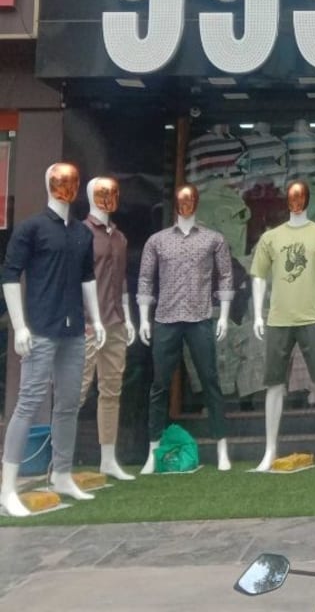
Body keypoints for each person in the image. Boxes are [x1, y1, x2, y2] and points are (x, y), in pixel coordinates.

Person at [0, 163, 106, 516]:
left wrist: (96, 319)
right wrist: (20, 326)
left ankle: (61, 474)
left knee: (68, 403)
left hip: (73, 330)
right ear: (48, 184)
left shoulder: (81, 233)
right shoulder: (31, 228)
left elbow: (87, 278)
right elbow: (10, 275)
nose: (67, 187)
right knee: (29, 402)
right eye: (60, 181)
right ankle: (7, 487)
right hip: (41, 329)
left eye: (73, 181)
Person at [251, 179, 315, 471]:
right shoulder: (271, 238)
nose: (296, 201)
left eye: (300, 196)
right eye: (291, 196)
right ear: (286, 200)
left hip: (312, 318)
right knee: (274, 385)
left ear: (307, 200)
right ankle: (269, 449)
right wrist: (258, 315)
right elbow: (259, 276)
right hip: (278, 319)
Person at [137, 183, 233, 473]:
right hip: (166, 317)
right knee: (159, 385)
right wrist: (144, 318)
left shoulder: (213, 239)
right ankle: (153, 451)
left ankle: (222, 447)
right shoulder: (157, 241)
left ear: (197, 203)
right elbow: (145, 279)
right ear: (176, 204)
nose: (186, 203)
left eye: (191, 199)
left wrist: (224, 315)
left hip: (200, 317)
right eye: (182, 199)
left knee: (211, 381)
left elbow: (225, 276)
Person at [79, 176, 137, 479]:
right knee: (75, 392)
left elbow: (122, 280)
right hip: (88, 324)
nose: (109, 197)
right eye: (103, 192)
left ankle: (108, 459)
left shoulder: (120, 237)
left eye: (113, 192)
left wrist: (128, 318)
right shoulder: (80, 233)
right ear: (90, 196)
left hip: (114, 322)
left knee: (111, 391)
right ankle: (58, 462)